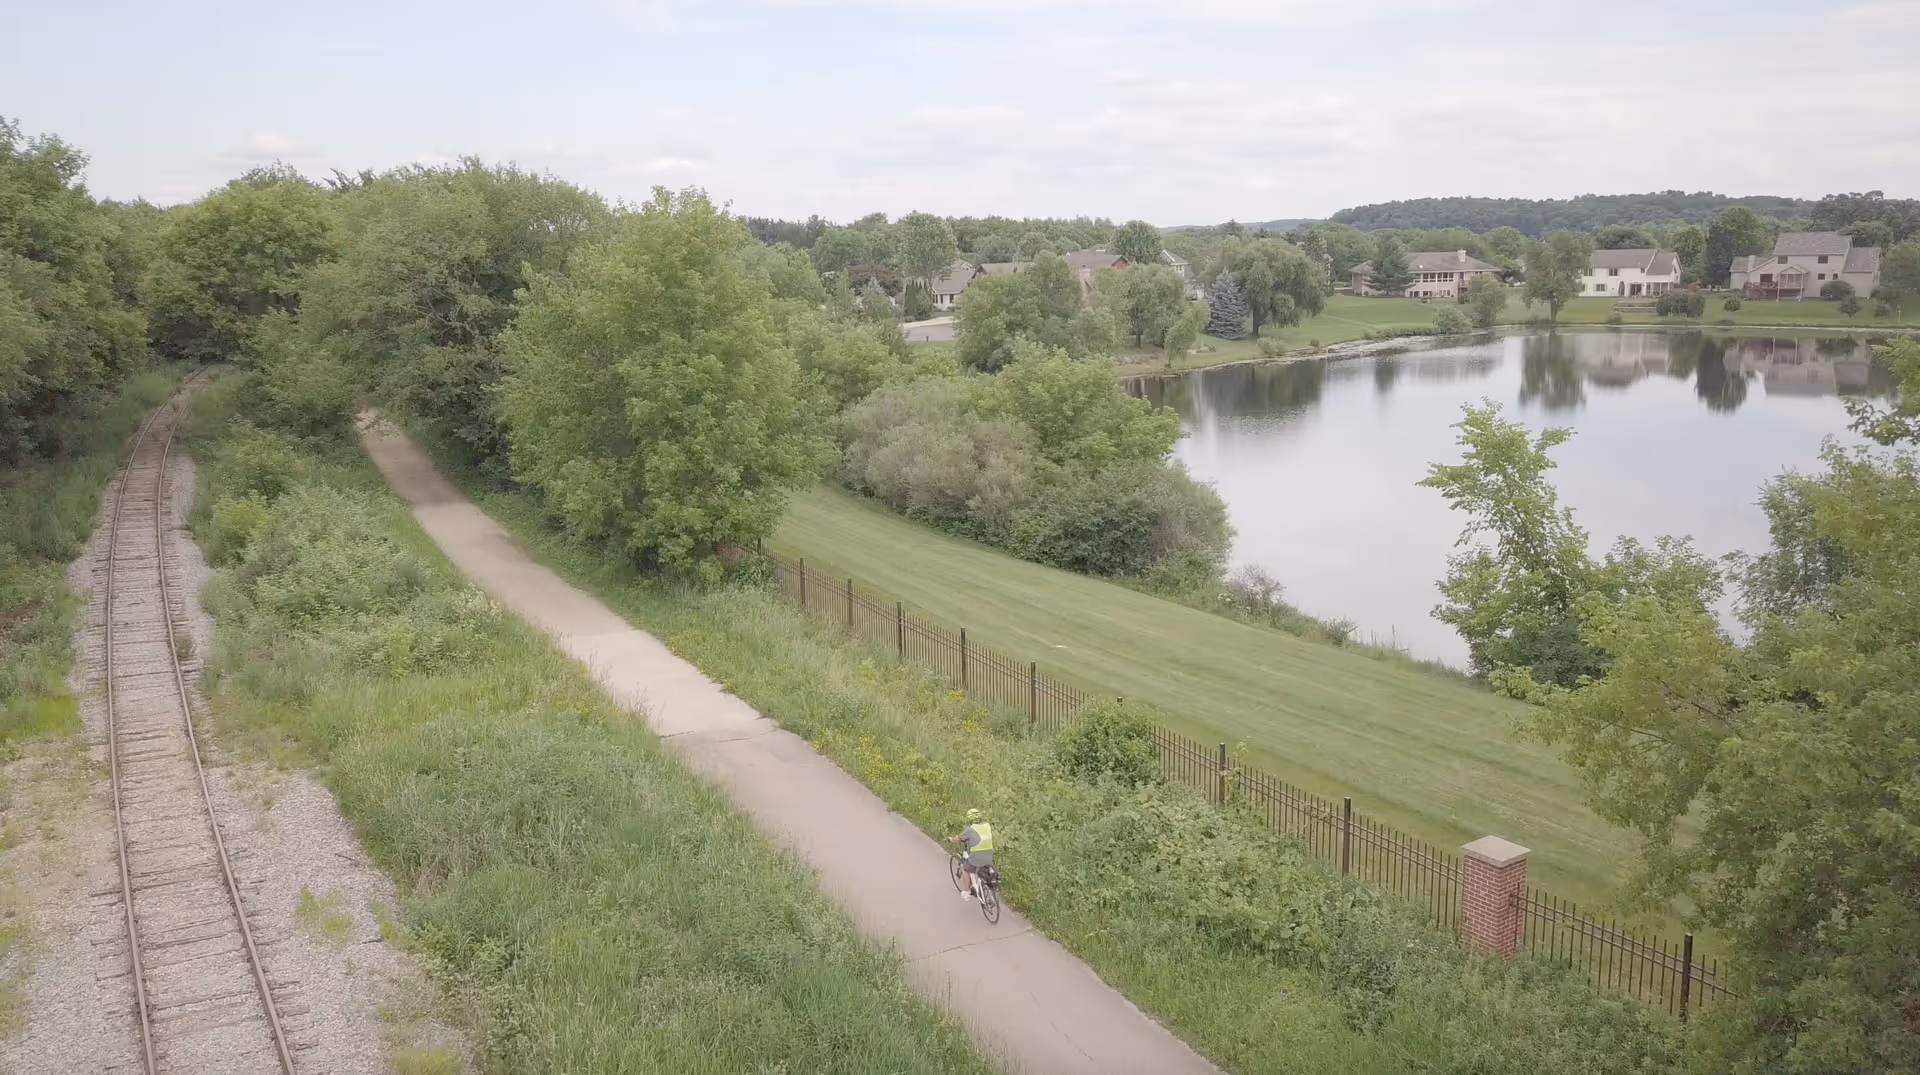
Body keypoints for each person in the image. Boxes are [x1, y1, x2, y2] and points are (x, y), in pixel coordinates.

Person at [948, 808, 994, 901]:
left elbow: (958, 839)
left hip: (977, 856)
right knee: (981, 867)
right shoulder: (987, 825)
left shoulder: (970, 829)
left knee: (966, 869)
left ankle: (966, 892)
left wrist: (951, 839)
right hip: (989, 854)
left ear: (970, 819)